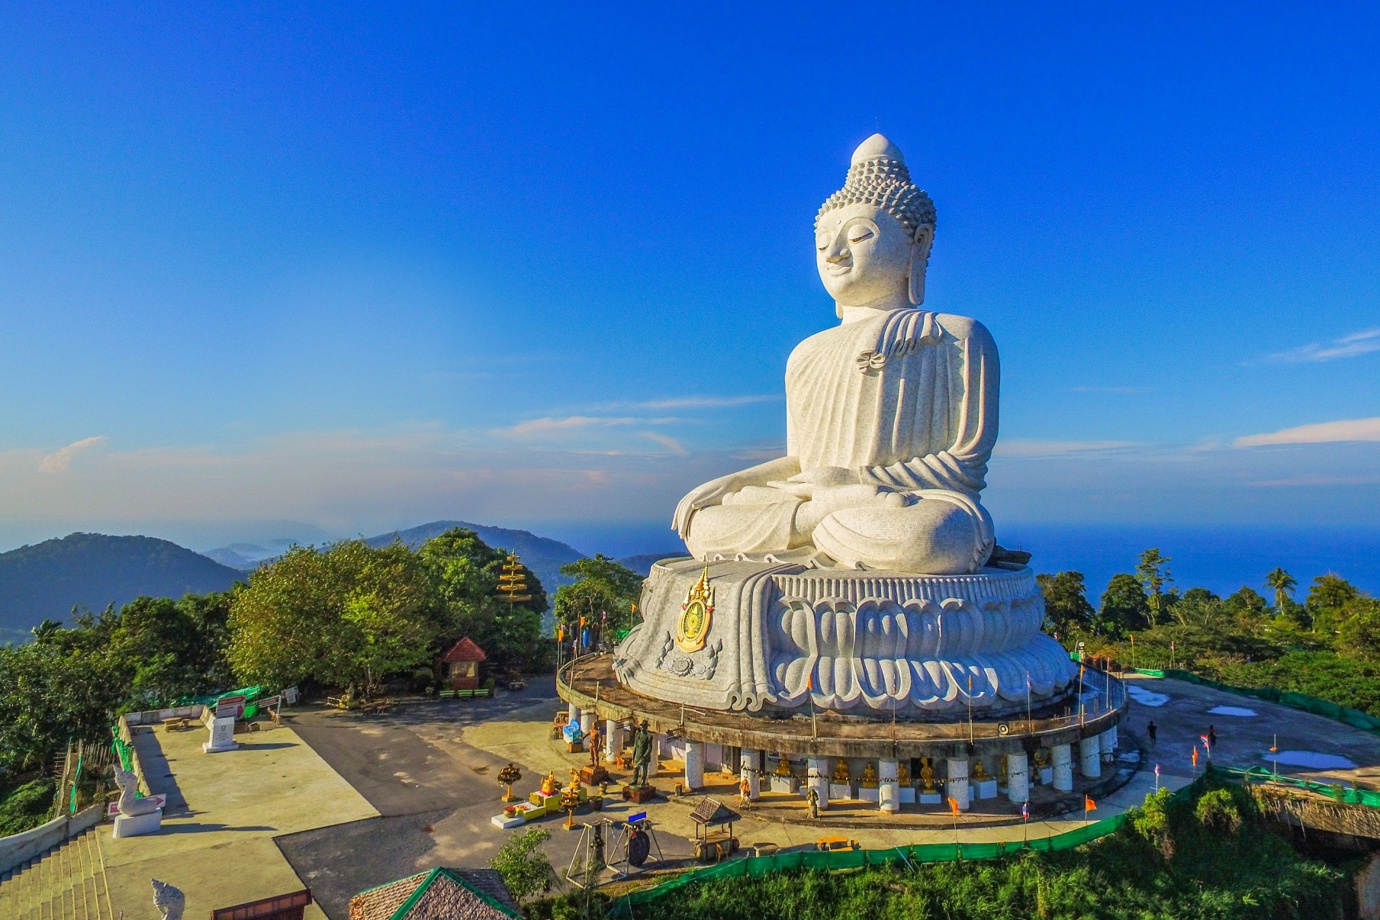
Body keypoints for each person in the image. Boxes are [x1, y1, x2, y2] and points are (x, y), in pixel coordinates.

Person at [671, 134, 997, 575]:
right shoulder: (806, 353)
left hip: (902, 503)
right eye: (823, 243)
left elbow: (965, 465)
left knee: (933, 537)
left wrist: (861, 482)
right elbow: (802, 463)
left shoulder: (955, 336)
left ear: (918, 243)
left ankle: (818, 524)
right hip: (826, 503)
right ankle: (817, 522)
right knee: (704, 525)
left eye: (859, 235)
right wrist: (732, 483)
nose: (835, 254)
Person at [630, 721, 653, 787]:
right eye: (642, 726)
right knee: (635, 768)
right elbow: (635, 745)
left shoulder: (648, 736)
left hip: (644, 756)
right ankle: (634, 780)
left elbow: (649, 748)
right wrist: (633, 755)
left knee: (643, 770)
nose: (642, 727)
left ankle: (643, 782)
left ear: (646, 727)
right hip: (637, 754)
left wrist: (644, 756)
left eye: (644, 726)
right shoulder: (638, 734)